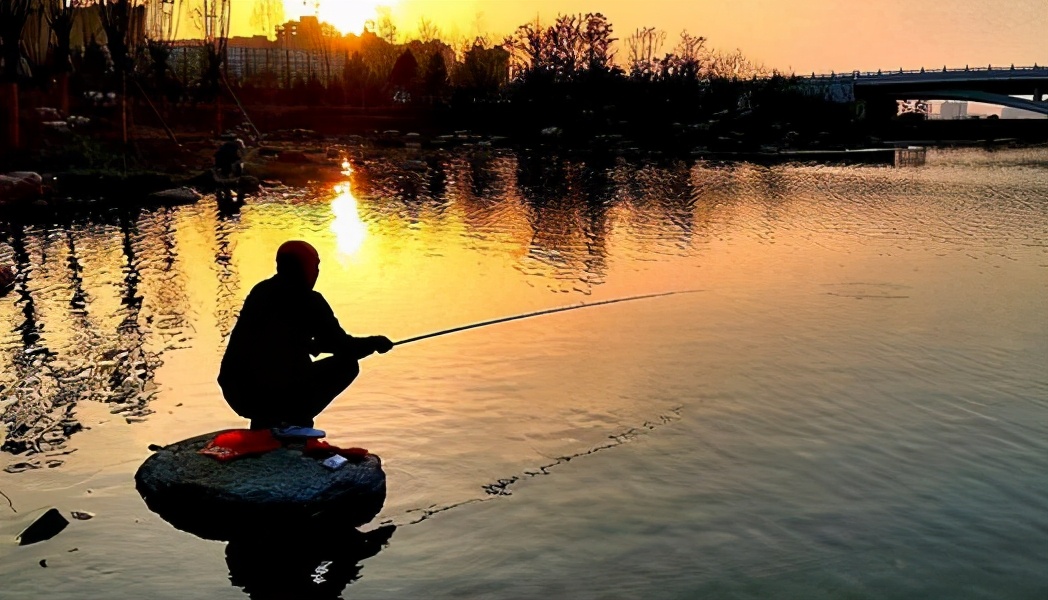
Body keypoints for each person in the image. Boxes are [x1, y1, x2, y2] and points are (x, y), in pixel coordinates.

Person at [218, 240, 392, 432]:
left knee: (278, 373)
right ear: (304, 268)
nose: (317, 272)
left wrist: (312, 345)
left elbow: (272, 339)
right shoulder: (309, 300)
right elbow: (343, 347)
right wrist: (375, 343)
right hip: (275, 392)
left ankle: (266, 423)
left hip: (239, 392)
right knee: (348, 365)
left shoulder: (261, 291)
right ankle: (296, 421)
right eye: (315, 267)